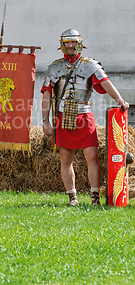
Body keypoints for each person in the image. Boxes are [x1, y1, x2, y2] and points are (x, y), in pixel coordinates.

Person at [41, 29, 129, 206]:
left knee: (92, 156)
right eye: (67, 42)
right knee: (66, 160)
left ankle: (95, 197)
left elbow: (106, 83)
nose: (70, 45)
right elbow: (46, 95)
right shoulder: (54, 67)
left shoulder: (91, 65)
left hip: (84, 116)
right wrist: (45, 121)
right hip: (62, 116)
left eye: (73, 42)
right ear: (62, 45)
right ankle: (72, 198)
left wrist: (120, 100)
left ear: (79, 43)